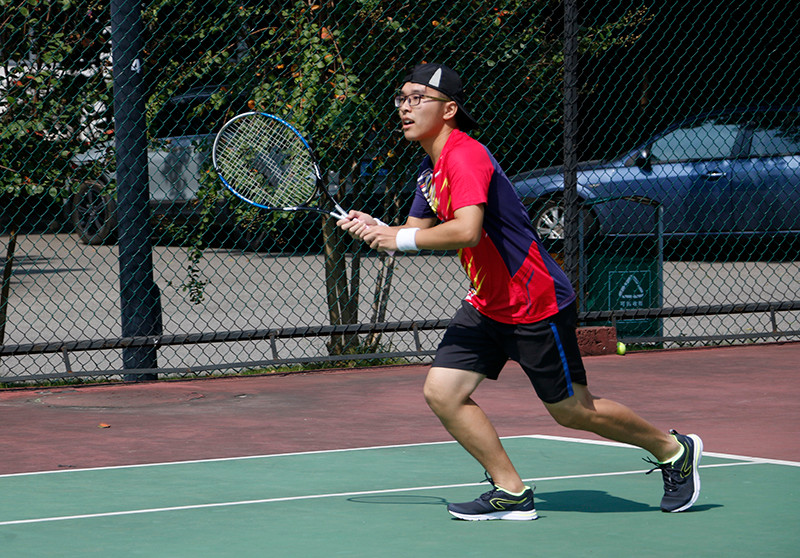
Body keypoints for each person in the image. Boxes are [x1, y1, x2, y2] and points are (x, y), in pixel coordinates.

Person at [338, 62, 702, 521]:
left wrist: (399, 238)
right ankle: (510, 491)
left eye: (418, 98)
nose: (405, 108)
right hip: (487, 301)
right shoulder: (429, 171)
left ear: (449, 109)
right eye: (402, 98)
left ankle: (674, 450)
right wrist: (377, 228)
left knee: (573, 411)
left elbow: (467, 231)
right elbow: (413, 231)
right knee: (443, 392)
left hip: (533, 301)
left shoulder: (465, 157)